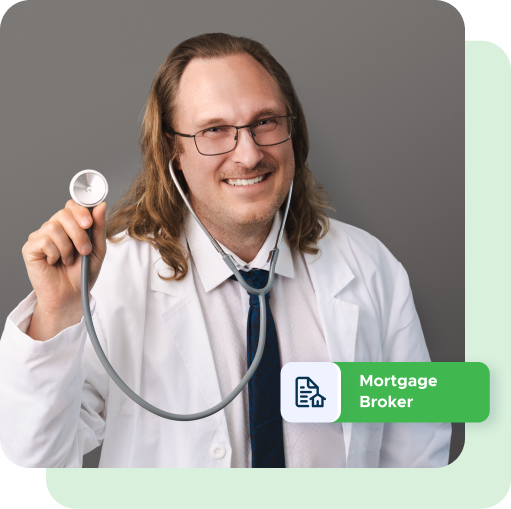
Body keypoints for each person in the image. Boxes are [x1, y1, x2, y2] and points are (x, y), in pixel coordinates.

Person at [0, 33, 451, 468]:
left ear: (293, 131)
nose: (249, 155)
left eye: (265, 121)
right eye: (214, 130)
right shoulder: (113, 278)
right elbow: (37, 458)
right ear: (173, 151)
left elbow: (416, 453)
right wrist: (57, 314)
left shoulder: (370, 267)